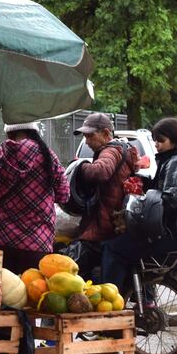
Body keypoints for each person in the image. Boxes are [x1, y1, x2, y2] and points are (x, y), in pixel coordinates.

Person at [100, 117, 177, 292]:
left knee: (113, 249)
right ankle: (147, 302)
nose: (156, 144)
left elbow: (168, 202)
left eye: (161, 140)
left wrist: (136, 220)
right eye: (155, 140)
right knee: (137, 255)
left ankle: (109, 301)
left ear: (175, 140)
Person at [0, 122, 69, 274]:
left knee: (4, 293)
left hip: (1, 240)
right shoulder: (49, 157)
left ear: (9, 133)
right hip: (38, 242)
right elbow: (64, 194)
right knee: (33, 292)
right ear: (34, 131)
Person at [71, 113, 139, 281]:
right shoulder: (123, 149)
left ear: (106, 133)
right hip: (114, 222)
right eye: (85, 136)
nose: (87, 141)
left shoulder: (111, 150)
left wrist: (79, 166)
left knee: (75, 271)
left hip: (104, 224)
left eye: (90, 135)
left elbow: (100, 172)